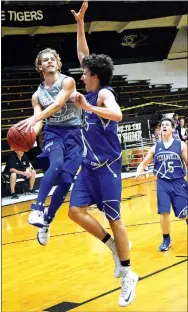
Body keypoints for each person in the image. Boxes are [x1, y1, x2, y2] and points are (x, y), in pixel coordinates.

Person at [56, 2, 136, 307]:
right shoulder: (90, 90)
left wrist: (88, 108)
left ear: (95, 78)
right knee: (75, 212)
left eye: (86, 72)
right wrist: (80, 23)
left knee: (116, 220)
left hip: (109, 169)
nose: (82, 73)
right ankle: (113, 248)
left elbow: (117, 116)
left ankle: (128, 275)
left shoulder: (103, 94)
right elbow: (83, 54)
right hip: (89, 168)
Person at [17, 48, 84, 243]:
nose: (49, 62)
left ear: (58, 63)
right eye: (45, 60)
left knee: (65, 181)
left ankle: (47, 221)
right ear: (40, 67)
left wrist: (34, 118)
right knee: (55, 164)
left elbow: (57, 105)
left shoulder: (67, 82)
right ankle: (37, 208)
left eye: (52, 59)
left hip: (75, 134)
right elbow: (39, 122)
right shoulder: (37, 95)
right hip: (53, 132)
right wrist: (28, 135)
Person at [136, 117, 188, 251]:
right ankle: (166, 239)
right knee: (164, 213)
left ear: (172, 129)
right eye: (162, 125)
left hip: (178, 182)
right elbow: (144, 162)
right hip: (162, 184)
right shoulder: (155, 147)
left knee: (183, 214)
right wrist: (139, 170)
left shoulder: (181, 145)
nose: (164, 126)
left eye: (167, 125)